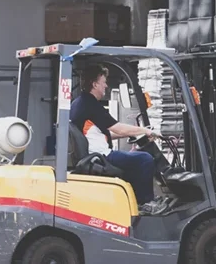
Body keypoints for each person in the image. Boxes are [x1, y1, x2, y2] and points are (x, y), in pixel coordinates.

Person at [70, 64, 167, 215]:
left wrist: (131, 134)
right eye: (103, 82)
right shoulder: (91, 105)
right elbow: (118, 128)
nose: (106, 86)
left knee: (133, 160)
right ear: (95, 84)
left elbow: (103, 133)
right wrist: (145, 130)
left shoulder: (79, 103)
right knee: (145, 159)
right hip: (101, 156)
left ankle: (135, 200)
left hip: (93, 154)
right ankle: (145, 203)